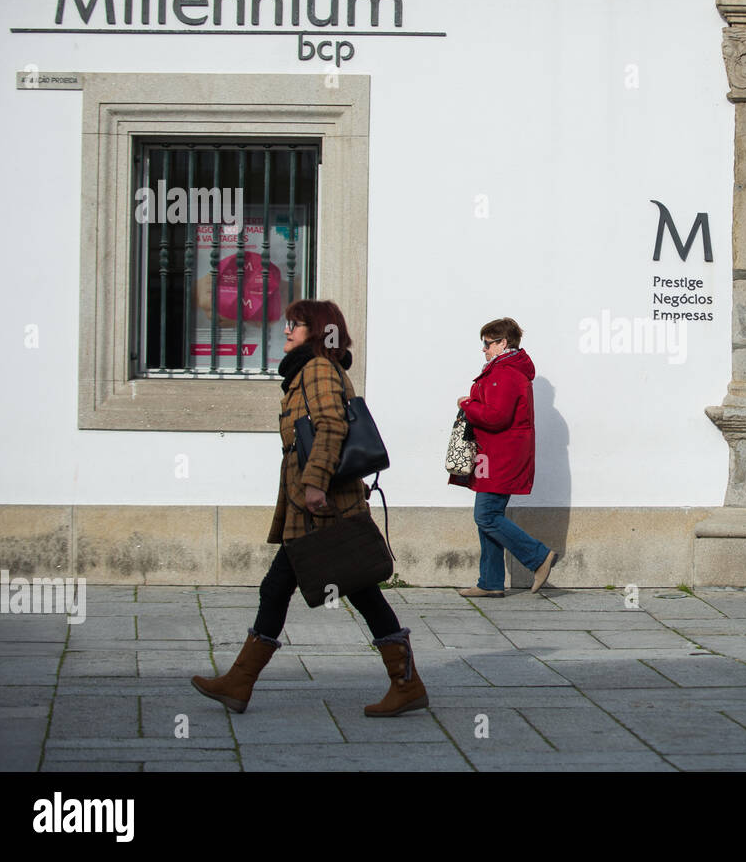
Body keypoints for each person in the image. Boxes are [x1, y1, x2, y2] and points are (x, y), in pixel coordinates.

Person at [191, 299, 428, 717]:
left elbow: (332, 424)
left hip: (320, 504)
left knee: (335, 589)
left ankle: (241, 682)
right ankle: (240, 683)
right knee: (316, 589)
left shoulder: (317, 367)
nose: (286, 331)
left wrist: (316, 482)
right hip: (313, 503)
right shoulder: (310, 369)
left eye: (296, 325)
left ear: (317, 332)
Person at [451, 318, 556, 597]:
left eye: (487, 344)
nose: (483, 350)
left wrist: (468, 404)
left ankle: (538, 557)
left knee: (486, 515)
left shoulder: (505, 373)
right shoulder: (503, 370)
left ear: (502, 343)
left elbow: (496, 417)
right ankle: (490, 582)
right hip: (496, 454)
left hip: (501, 456)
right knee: (488, 515)